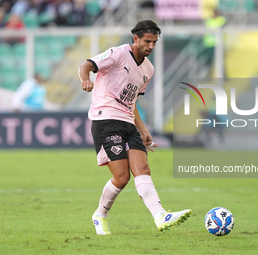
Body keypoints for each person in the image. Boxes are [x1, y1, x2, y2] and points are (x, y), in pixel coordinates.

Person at [78, 20, 192, 235]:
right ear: (136, 39)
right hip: (106, 120)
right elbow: (85, 65)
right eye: (147, 41)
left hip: (128, 122)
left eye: (154, 42)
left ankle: (160, 215)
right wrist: (85, 79)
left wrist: (143, 129)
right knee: (122, 177)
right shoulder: (117, 54)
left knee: (143, 169)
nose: (150, 46)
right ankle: (99, 215)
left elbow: (132, 102)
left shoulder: (148, 69)